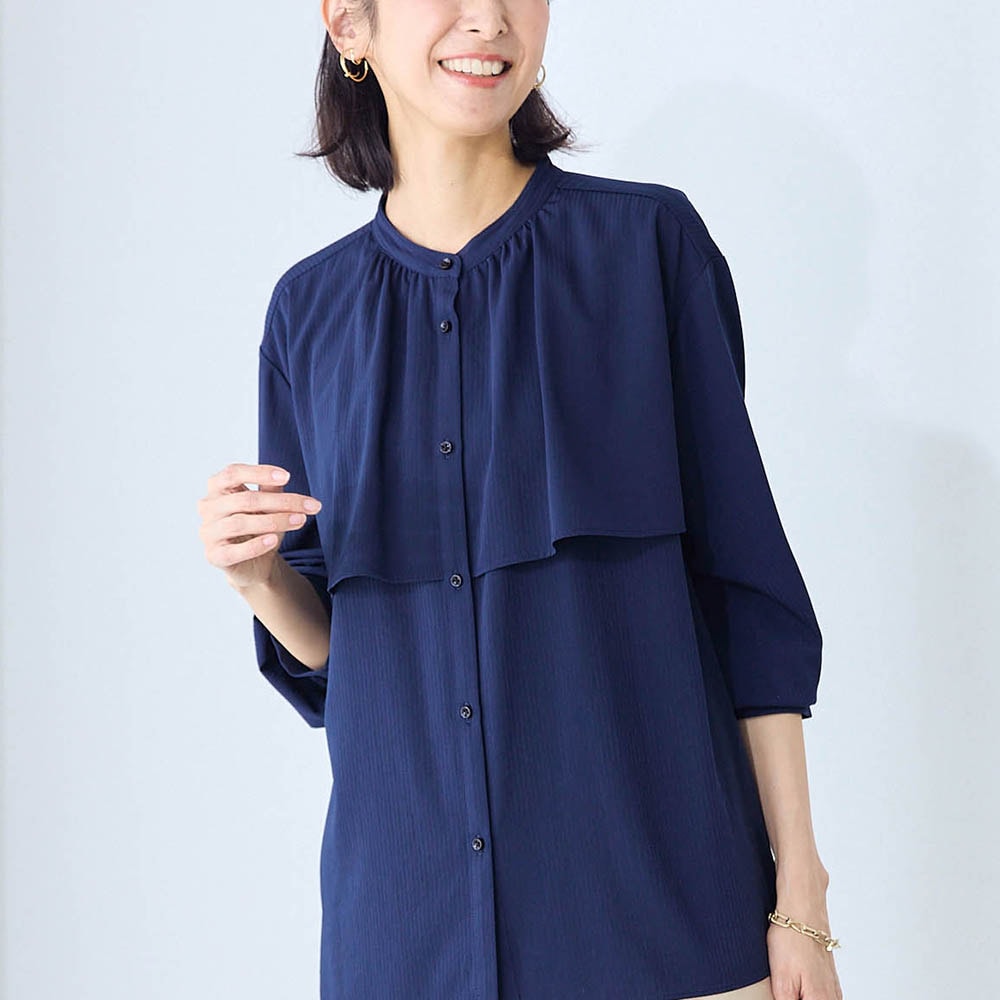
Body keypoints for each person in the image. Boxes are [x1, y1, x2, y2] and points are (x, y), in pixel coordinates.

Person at [196, 2, 844, 998]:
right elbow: (342, 664)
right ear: (350, 25)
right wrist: (258, 578)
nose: (489, 19)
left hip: (664, 937)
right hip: (406, 948)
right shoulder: (308, 314)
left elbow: (747, 592)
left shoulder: (646, 247)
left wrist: (799, 892)